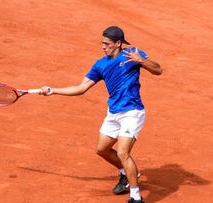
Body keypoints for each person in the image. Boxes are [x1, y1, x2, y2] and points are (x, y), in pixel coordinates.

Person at [40, 26, 162, 203]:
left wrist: (141, 61)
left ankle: (135, 196)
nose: (103, 47)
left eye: (107, 44)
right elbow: (81, 88)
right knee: (102, 149)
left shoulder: (132, 54)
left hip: (132, 111)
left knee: (122, 152)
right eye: (102, 43)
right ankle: (126, 174)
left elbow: (158, 70)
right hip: (113, 113)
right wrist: (53, 90)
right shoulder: (100, 65)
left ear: (118, 43)